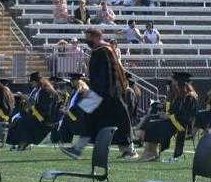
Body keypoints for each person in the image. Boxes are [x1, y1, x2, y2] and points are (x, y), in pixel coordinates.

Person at [60, 28, 136, 159]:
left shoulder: (104, 50)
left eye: (88, 37)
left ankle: (130, 150)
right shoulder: (99, 50)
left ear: (96, 37)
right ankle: (78, 149)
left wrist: (95, 92)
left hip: (109, 93)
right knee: (89, 118)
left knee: (119, 121)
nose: (86, 40)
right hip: (99, 93)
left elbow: (108, 75)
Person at [136, 72, 199, 163]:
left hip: (181, 125)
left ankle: (152, 153)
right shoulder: (180, 95)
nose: (173, 84)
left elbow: (186, 117)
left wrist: (168, 116)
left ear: (180, 84)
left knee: (155, 125)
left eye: (175, 82)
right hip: (173, 122)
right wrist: (165, 115)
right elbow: (174, 111)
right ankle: (150, 151)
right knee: (152, 122)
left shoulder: (190, 97)